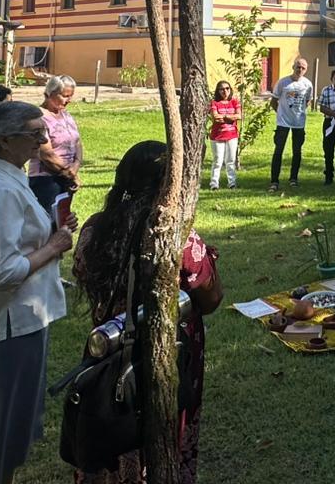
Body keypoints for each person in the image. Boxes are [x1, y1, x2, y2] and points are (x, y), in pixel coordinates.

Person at [74, 141, 223, 484]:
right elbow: (212, 298)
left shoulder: (95, 229)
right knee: (163, 423)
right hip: (167, 351)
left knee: (112, 420)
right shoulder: (176, 236)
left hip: (109, 350)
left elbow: (82, 273)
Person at [0, 101, 76, 484]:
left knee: (12, 428)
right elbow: (1, 272)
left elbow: (17, 240)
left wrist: (53, 227)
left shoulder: (10, 178)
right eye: (34, 133)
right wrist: (54, 247)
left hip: (23, 318)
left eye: (44, 131)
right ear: (6, 140)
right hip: (6, 325)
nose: (43, 140)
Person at [28, 76, 82, 213]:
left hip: (67, 177)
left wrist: (76, 165)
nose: (69, 100)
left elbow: (77, 141)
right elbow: (47, 155)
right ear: (50, 94)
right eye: (65, 96)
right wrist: (71, 174)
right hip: (46, 180)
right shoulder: (38, 117)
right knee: (48, 219)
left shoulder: (65, 115)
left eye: (70, 96)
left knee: (63, 219)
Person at [269, 57, 314, 190]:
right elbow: (273, 101)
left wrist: (298, 112)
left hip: (298, 123)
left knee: (297, 151)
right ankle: (274, 181)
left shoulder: (308, 84)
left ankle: (293, 179)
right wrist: (281, 113)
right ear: (293, 67)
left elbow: (308, 101)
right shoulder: (283, 82)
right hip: (283, 123)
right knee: (278, 151)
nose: (300, 70)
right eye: (298, 67)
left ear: (306, 70)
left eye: (303, 68)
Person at [208, 81, 241, 190]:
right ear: (218, 91)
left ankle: (232, 183)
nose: (225, 91)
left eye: (227, 88)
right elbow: (215, 117)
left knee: (230, 161)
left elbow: (239, 116)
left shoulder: (235, 102)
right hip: (217, 136)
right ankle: (214, 184)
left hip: (232, 136)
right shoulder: (214, 103)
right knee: (218, 161)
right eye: (222, 89)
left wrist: (224, 116)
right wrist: (230, 117)